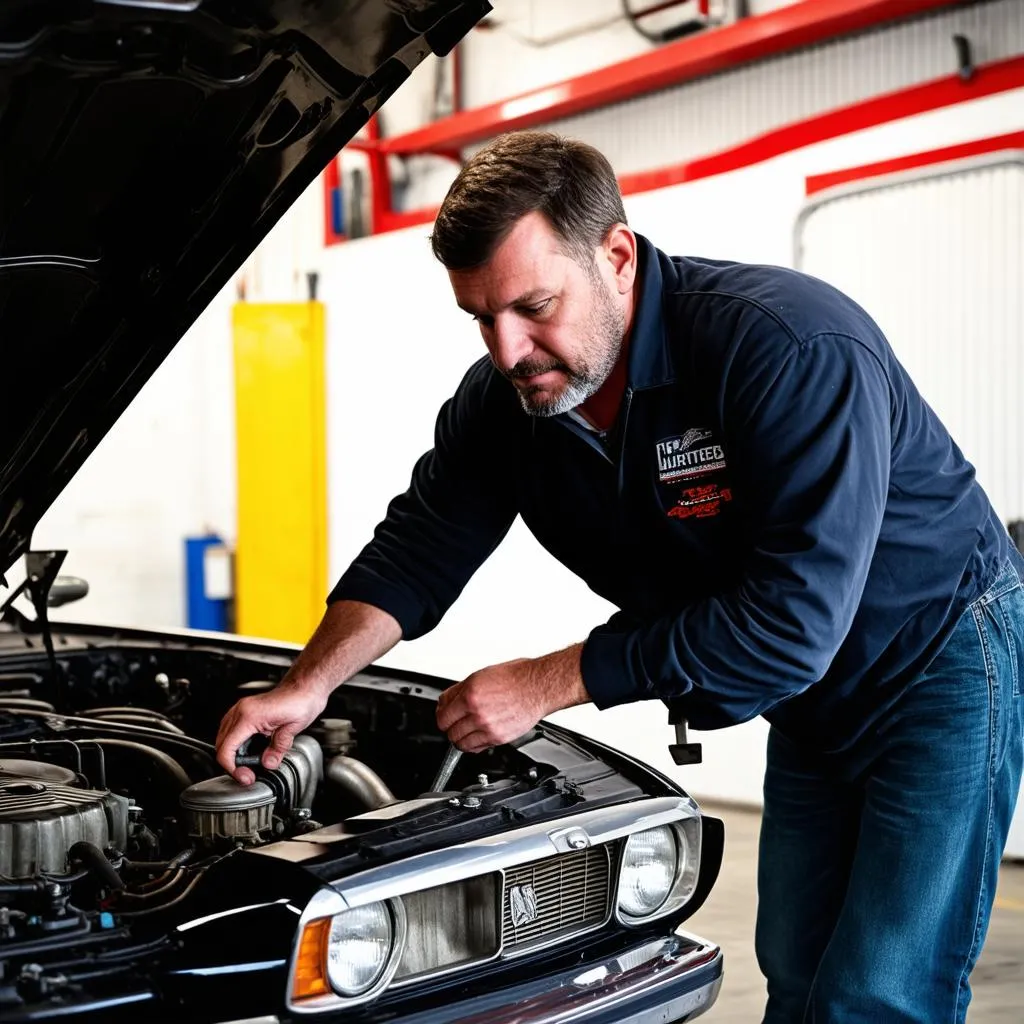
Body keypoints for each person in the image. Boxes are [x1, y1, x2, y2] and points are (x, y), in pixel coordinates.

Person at [215, 131, 1024, 1021]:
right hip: (811, 695)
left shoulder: (787, 347)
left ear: (617, 255)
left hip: (938, 660)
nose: (509, 349)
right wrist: (308, 686)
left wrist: (549, 682)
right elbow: (420, 546)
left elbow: (791, 623)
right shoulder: (507, 404)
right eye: (482, 318)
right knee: (795, 964)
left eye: (534, 306)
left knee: (881, 991)